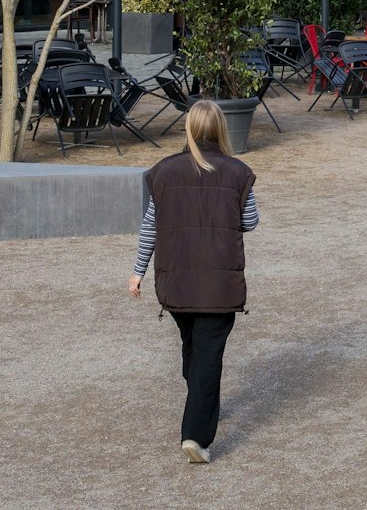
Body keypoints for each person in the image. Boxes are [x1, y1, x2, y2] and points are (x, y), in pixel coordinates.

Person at [129, 100, 260, 466]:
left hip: (176, 280)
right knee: (206, 357)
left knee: (194, 349)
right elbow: (250, 221)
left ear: (188, 128)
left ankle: (202, 405)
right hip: (219, 285)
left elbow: (149, 227)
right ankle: (195, 435)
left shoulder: (164, 171)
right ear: (221, 128)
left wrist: (138, 270)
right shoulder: (238, 172)